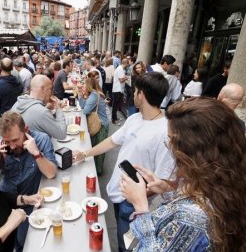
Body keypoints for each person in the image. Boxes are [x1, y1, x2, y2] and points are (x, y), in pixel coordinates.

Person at [121, 97, 246, 251]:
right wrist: (166, 190)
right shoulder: (229, 181)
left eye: (171, 140)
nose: (169, 147)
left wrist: (140, 206)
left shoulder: (193, 216)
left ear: (192, 149)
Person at [74, 72, 175, 251]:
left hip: (133, 200)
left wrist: (137, 196)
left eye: (135, 91)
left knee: (126, 245)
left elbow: (164, 179)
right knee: (122, 237)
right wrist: (85, 153)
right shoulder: (134, 118)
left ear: (141, 95)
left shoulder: (165, 131)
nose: (132, 94)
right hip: (117, 190)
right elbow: (112, 141)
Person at [0, 111, 57, 251]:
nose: (11, 146)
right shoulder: (0, 146)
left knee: (25, 241)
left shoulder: (41, 139)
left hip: (31, 201)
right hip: (6, 200)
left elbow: (51, 173)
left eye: (15, 140)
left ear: (26, 130)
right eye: (7, 141)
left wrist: (36, 153)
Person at [12, 75, 67, 140]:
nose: (52, 93)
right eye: (50, 89)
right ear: (43, 88)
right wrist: (58, 108)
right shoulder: (41, 112)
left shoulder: (17, 103)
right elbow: (62, 134)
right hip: (38, 149)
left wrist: (49, 110)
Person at [77, 77, 109, 175]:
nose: (83, 86)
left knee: (99, 149)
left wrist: (84, 96)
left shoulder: (95, 95)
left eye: (84, 85)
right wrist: (82, 95)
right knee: (94, 147)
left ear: (89, 86)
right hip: (98, 124)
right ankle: (94, 170)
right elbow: (83, 106)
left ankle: (98, 172)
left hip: (101, 124)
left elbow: (85, 111)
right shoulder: (92, 94)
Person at [112, 59, 129, 125]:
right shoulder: (120, 69)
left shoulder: (120, 69)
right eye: (127, 64)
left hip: (118, 89)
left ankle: (115, 117)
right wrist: (127, 77)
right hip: (117, 89)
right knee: (115, 105)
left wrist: (125, 77)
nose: (128, 65)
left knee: (116, 105)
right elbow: (121, 80)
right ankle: (114, 120)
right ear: (126, 63)